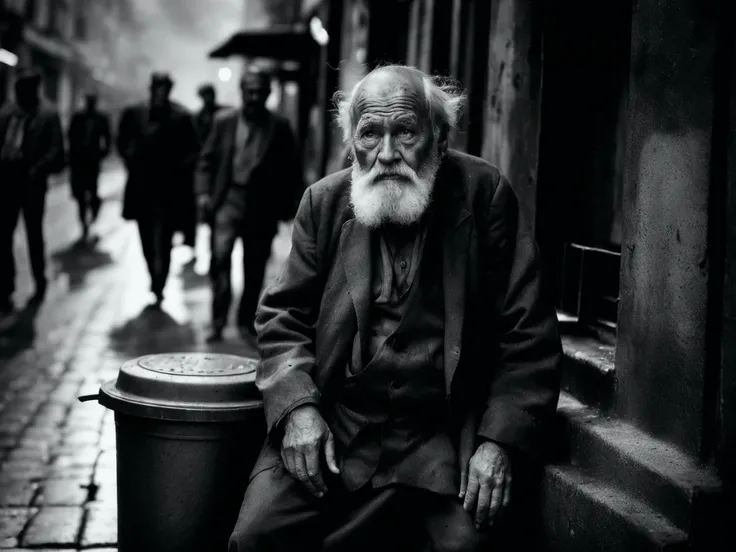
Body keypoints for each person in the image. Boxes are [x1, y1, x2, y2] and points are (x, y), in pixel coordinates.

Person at [227, 65, 562, 552]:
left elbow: (527, 334)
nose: (386, 154)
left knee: (468, 547)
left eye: (404, 131)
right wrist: (298, 408)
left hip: (440, 438)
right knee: (256, 537)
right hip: (339, 427)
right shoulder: (322, 203)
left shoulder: (485, 195)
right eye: (369, 134)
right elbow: (282, 317)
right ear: (352, 144)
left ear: (439, 139)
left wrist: (499, 443)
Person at [195, 67, 305, 343]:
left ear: (267, 93)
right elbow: (206, 161)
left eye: (259, 92)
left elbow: (291, 170)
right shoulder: (224, 121)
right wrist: (204, 193)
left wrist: (293, 208)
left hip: (261, 207)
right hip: (228, 200)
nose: (254, 97)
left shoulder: (279, 127)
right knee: (219, 260)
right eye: (249, 91)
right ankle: (217, 320)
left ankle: (245, 321)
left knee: (253, 267)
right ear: (241, 92)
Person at [116, 72, 199, 307]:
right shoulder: (134, 114)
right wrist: (130, 157)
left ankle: (160, 282)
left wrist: (179, 168)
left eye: (164, 88)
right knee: (145, 236)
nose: (160, 93)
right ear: (151, 88)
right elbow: (121, 141)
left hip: (170, 189)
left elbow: (194, 149)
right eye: (157, 88)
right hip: (142, 187)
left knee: (165, 238)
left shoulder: (181, 116)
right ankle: (154, 276)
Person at [0, 68, 65, 322]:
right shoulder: (7, 112)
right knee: (3, 236)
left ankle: (40, 282)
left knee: (34, 235)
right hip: (6, 181)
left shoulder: (48, 115)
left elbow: (57, 150)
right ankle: (5, 286)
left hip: (31, 183)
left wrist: (36, 169)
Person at [67, 90, 112, 242]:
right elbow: (71, 136)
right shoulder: (78, 118)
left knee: (92, 191)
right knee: (80, 195)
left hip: (92, 161)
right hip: (79, 161)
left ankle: (94, 209)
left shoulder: (101, 119)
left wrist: (103, 153)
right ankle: (83, 225)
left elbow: (107, 137)